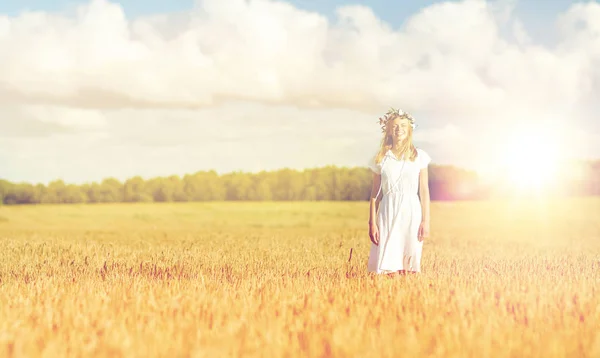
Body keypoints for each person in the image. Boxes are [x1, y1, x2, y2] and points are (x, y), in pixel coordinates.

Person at [367, 108, 431, 275]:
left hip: (411, 211)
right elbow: (375, 195)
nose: (399, 129)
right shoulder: (381, 158)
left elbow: (424, 191)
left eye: (403, 125)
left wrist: (426, 220)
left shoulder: (419, 156)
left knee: (409, 263)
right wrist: (372, 223)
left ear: (410, 129)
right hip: (388, 211)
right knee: (388, 265)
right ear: (388, 130)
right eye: (394, 126)